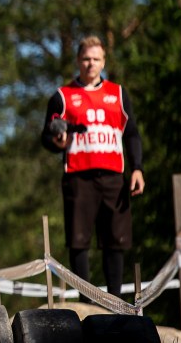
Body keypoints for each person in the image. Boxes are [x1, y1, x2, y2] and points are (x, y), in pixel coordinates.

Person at [42, 35, 145, 299]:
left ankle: (114, 301)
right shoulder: (63, 96)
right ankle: (85, 302)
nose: (91, 64)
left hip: (114, 176)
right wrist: (58, 141)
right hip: (78, 177)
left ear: (104, 62)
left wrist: (137, 168)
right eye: (86, 59)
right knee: (79, 240)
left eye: (96, 59)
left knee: (115, 240)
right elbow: (47, 136)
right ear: (78, 61)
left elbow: (131, 133)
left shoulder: (117, 94)